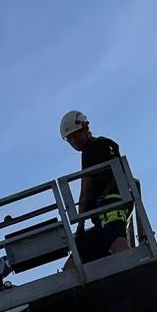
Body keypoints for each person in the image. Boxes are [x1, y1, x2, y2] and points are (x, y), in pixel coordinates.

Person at [59, 109, 130, 263]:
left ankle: (131, 267)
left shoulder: (89, 150)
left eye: (76, 135)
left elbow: (86, 189)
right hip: (109, 210)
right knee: (82, 251)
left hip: (109, 206)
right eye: (70, 138)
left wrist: (79, 226)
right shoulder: (107, 144)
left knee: (117, 241)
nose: (74, 141)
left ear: (86, 128)